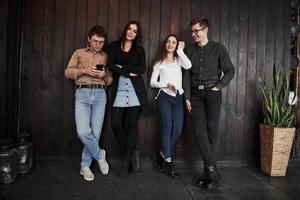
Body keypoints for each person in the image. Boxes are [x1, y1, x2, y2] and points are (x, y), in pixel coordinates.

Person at [183, 18, 235, 189]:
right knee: (200, 131)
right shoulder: (189, 50)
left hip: (212, 94)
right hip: (195, 95)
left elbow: (230, 70)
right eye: (192, 31)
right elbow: (186, 75)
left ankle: (207, 172)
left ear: (205, 30)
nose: (193, 34)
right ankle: (211, 170)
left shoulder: (219, 48)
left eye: (196, 30)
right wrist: (187, 97)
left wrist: (218, 86)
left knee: (212, 131)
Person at [65, 25, 113, 181]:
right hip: (83, 93)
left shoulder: (106, 56)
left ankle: (85, 165)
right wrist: (83, 71)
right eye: (95, 41)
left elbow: (110, 80)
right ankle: (100, 155)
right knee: (83, 132)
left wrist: (104, 75)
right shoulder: (78, 53)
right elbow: (67, 72)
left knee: (95, 133)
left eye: (101, 42)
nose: (98, 44)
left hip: (100, 94)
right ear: (89, 39)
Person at [107, 21, 149, 178]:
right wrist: (129, 72)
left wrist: (122, 68)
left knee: (132, 127)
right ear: (125, 30)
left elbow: (141, 69)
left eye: (135, 31)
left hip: (135, 92)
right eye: (130, 29)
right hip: (118, 90)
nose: (131, 32)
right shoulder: (113, 46)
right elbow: (111, 65)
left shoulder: (139, 50)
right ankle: (132, 153)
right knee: (116, 125)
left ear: (137, 34)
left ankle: (126, 163)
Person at [150, 34, 191, 177]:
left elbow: (189, 65)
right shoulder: (158, 63)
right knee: (168, 128)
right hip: (164, 98)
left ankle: (161, 154)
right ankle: (168, 162)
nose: (171, 44)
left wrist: (180, 50)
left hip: (178, 97)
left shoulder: (179, 60)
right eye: (168, 41)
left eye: (174, 42)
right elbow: (152, 82)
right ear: (165, 44)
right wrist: (166, 84)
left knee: (178, 130)